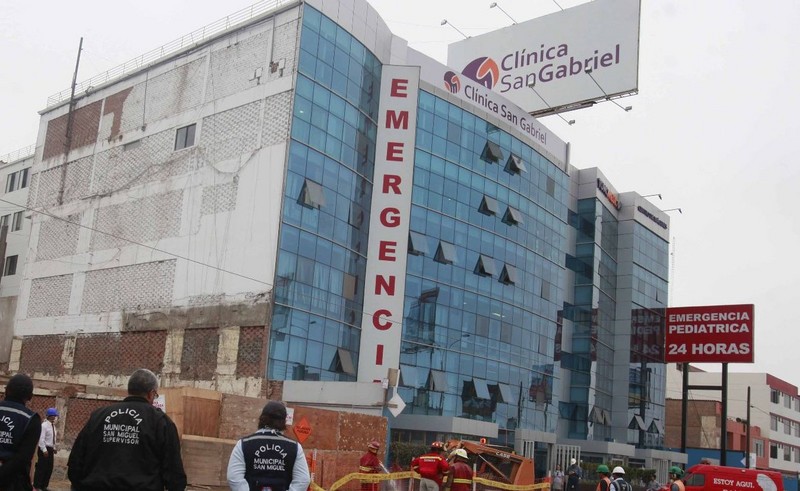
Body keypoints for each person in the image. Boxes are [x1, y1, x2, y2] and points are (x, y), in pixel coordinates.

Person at [67, 368, 186, 491]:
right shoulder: (161, 422)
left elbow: (75, 463)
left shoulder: (98, 416)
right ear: (151, 394)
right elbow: (174, 472)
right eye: (155, 395)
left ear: (129, 390)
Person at [227, 400, 311, 491]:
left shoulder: (243, 444)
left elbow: (233, 477)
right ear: (284, 421)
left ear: (262, 419)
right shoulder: (295, 447)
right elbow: (303, 480)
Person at [0, 373, 41, 491]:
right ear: (30, 396)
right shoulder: (31, 419)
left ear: (6, 391)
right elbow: (23, 458)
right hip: (13, 482)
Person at [33, 407, 59, 491]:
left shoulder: (53, 426)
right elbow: (41, 439)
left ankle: (44, 485)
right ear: (49, 416)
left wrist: (54, 448)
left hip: (50, 449)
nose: (55, 417)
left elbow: (52, 439)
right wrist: (44, 450)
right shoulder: (44, 426)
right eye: (53, 416)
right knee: (41, 468)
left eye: (55, 416)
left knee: (49, 468)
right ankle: (37, 485)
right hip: (44, 449)